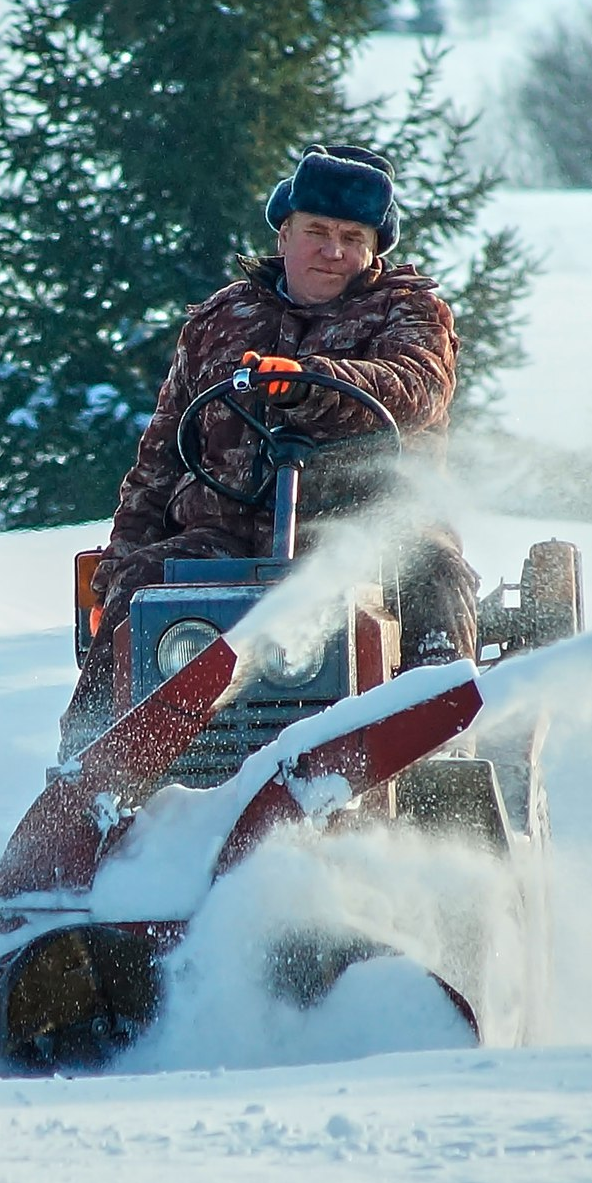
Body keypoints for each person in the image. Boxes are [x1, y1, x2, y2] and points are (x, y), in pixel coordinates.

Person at [60, 143, 479, 755]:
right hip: (226, 535)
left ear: (373, 249)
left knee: (432, 570)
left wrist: (307, 383)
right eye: (317, 231)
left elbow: (413, 386)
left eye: (352, 237)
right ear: (284, 233)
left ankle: (437, 758)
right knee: (142, 587)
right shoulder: (219, 320)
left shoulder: (411, 312)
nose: (333, 251)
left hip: (366, 530)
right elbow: (161, 453)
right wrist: (125, 554)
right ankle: (92, 771)